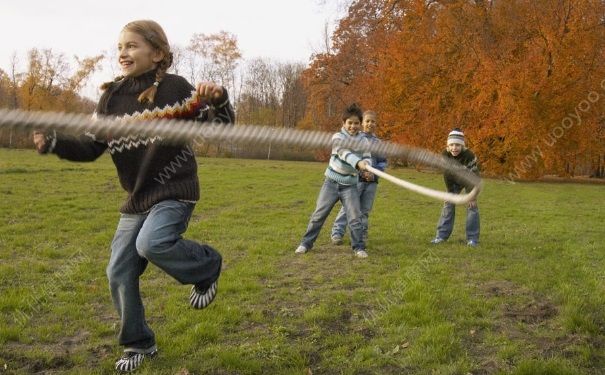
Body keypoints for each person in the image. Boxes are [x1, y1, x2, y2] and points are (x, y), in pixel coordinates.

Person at [32, 20, 234, 373]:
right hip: (137, 198)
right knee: (118, 270)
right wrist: (54, 142)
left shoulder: (176, 89)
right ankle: (140, 344)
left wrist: (219, 102)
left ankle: (207, 265)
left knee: (152, 243)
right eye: (120, 47)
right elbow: (91, 146)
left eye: (132, 46)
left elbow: (220, 129)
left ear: (157, 53)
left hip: (174, 191)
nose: (123, 53)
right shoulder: (110, 99)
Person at [294, 103, 372, 258]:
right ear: (343, 123)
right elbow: (344, 153)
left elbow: (367, 158)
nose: (353, 126)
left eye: (356, 123)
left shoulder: (364, 142)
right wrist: (358, 163)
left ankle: (358, 247)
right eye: (350, 123)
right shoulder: (337, 137)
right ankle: (305, 243)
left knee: (355, 218)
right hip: (331, 183)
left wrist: (367, 169)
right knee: (319, 215)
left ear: (360, 124)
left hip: (350, 185)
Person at [330, 110, 387, 245]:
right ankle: (337, 232)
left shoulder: (378, 142)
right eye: (367, 121)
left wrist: (377, 170)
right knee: (349, 207)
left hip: (371, 179)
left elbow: (382, 160)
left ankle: (361, 233)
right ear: (362, 123)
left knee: (365, 209)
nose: (370, 124)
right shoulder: (356, 138)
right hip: (356, 178)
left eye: (373, 121)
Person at [430, 128, 480, 247]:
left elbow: (473, 176)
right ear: (448, 145)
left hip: (470, 181)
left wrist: (471, 196)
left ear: (462, 145)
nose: (454, 148)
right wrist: (450, 193)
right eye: (451, 145)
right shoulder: (445, 155)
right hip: (453, 181)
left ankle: (472, 239)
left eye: (457, 145)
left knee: (472, 206)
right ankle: (441, 236)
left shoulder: (469, 155)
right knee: (448, 205)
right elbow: (447, 175)